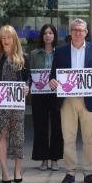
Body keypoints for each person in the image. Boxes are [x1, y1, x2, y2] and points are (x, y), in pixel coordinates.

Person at [49, 18, 92, 183]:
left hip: (90, 99)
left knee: (89, 138)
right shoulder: (60, 51)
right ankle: (70, 172)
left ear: (86, 32)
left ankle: (89, 172)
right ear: (70, 32)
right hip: (68, 100)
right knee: (69, 138)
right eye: (75, 30)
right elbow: (53, 74)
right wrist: (53, 81)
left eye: (81, 30)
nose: (78, 33)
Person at [0, 25, 30, 183]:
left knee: (18, 136)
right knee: (2, 135)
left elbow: (28, 78)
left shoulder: (23, 57)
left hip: (17, 104)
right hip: (0, 104)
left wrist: (27, 87)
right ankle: (5, 171)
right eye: (2, 38)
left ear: (14, 39)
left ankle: (17, 170)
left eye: (8, 37)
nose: (5, 41)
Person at [30, 24, 63, 171]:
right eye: (45, 33)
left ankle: (55, 159)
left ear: (55, 35)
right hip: (39, 95)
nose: (48, 35)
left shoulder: (61, 52)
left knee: (57, 127)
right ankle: (43, 159)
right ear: (42, 36)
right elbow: (29, 74)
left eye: (50, 33)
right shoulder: (34, 54)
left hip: (57, 94)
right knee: (40, 127)